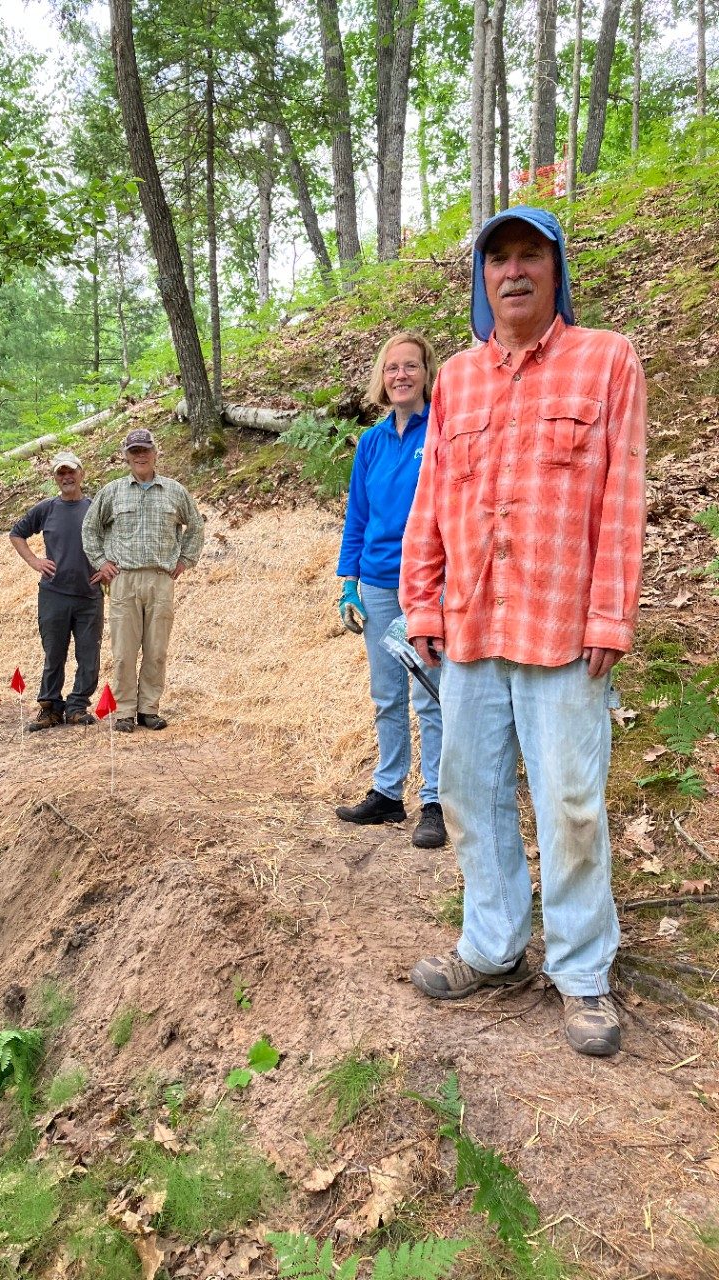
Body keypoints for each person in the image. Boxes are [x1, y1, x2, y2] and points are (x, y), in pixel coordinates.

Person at [399, 206, 647, 1057]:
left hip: (563, 625)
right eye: (497, 257)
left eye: (529, 255)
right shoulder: (458, 380)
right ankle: (493, 946)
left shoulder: (606, 360)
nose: (513, 270)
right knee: (469, 795)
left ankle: (583, 974)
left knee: (571, 804)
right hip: (470, 624)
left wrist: (613, 610)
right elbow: (433, 496)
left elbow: (623, 494)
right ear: (483, 277)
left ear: (555, 269)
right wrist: (421, 600)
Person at [335, 332, 446, 849]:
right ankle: (387, 793)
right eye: (391, 368)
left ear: (426, 372)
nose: (400, 375)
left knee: (431, 694)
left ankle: (437, 800)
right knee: (386, 695)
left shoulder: (442, 431)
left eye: (410, 366)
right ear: (382, 378)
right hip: (378, 583)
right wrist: (348, 583)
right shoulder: (372, 443)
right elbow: (357, 514)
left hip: (428, 582)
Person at [82, 428, 204, 733]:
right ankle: (124, 710)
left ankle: (148, 708)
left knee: (156, 648)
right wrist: (101, 562)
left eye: (145, 450)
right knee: (123, 650)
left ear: (155, 453)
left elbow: (196, 526)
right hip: (124, 580)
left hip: (161, 579)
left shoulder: (175, 491)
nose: (140, 455)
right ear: (125, 456)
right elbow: (90, 529)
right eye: (134, 451)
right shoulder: (112, 492)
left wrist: (185, 560)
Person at [10, 450, 104, 731]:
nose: (67, 477)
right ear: (55, 478)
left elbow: (116, 536)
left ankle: (77, 707)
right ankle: (50, 708)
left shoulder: (95, 508)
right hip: (54, 594)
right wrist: (34, 561)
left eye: (71, 472)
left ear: (81, 474)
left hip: (90, 595)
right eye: (61, 473)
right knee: (54, 653)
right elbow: (17, 534)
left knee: (89, 654)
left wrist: (109, 564)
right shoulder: (46, 509)